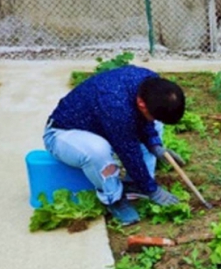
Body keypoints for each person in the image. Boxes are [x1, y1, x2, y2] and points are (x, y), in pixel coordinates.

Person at [43, 65, 186, 226]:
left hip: (102, 125)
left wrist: (155, 146)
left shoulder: (151, 83)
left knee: (155, 124)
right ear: (141, 104)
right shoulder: (115, 105)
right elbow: (128, 152)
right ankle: (113, 198)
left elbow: (143, 121)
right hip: (64, 134)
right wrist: (153, 190)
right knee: (98, 151)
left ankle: (134, 185)